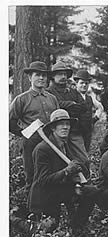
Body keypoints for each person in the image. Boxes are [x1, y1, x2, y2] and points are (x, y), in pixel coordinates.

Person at [28, 109, 98, 233]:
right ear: (53, 128)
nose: (65, 127)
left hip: (61, 188)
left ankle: (76, 226)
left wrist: (76, 180)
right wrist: (67, 171)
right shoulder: (42, 149)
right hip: (45, 195)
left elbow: (71, 168)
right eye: (61, 124)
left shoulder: (64, 144)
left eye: (68, 124)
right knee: (49, 231)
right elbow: (43, 181)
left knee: (91, 191)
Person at [9, 61, 59, 194]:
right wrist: (25, 133)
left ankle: (50, 211)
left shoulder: (52, 99)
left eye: (44, 75)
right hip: (31, 143)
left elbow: (57, 120)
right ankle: (33, 211)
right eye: (37, 75)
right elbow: (9, 122)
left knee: (51, 175)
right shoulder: (22, 99)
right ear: (30, 77)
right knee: (32, 177)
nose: (41, 78)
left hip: (51, 143)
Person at [47, 61, 90, 166]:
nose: (63, 77)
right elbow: (54, 106)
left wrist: (66, 106)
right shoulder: (49, 92)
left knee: (84, 160)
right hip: (56, 132)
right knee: (59, 161)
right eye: (60, 74)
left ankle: (85, 181)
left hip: (74, 130)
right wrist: (71, 104)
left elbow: (83, 107)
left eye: (65, 74)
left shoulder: (72, 91)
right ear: (53, 76)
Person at [73, 69, 96, 152]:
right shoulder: (73, 96)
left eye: (86, 83)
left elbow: (97, 108)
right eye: (81, 83)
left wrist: (94, 119)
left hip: (87, 132)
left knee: (86, 152)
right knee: (79, 155)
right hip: (76, 132)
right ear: (76, 83)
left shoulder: (89, 98)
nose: (84, 85)